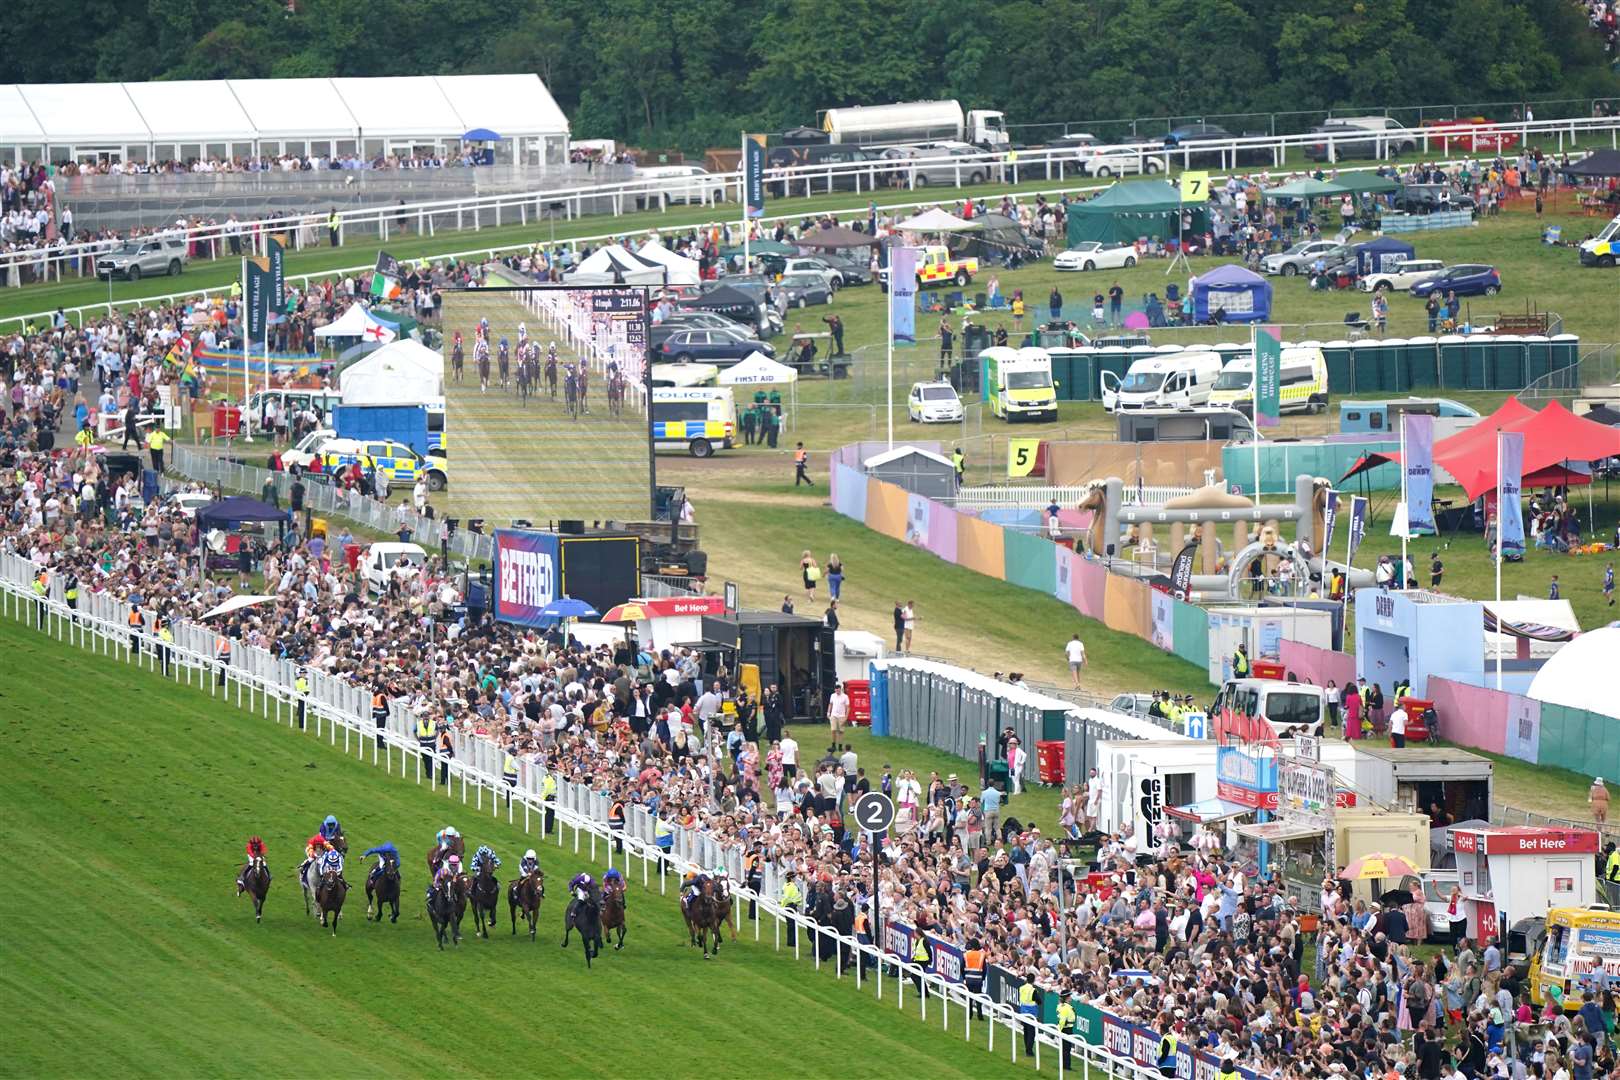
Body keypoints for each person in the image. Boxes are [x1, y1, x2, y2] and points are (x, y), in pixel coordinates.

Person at [827, 682, 850, 750]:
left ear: (841, 689)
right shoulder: (832, 695)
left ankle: (840, 745)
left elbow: (848, 707)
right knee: (833, 730)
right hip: (833, 715)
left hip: (841, 716)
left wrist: (846, 717)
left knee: (841, 731)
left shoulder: (845, 697)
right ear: (835, 690)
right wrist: (828, 713)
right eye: (836, 690)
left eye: (838, 690)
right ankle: (833, 745)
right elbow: (830, 704)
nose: (837, 691)